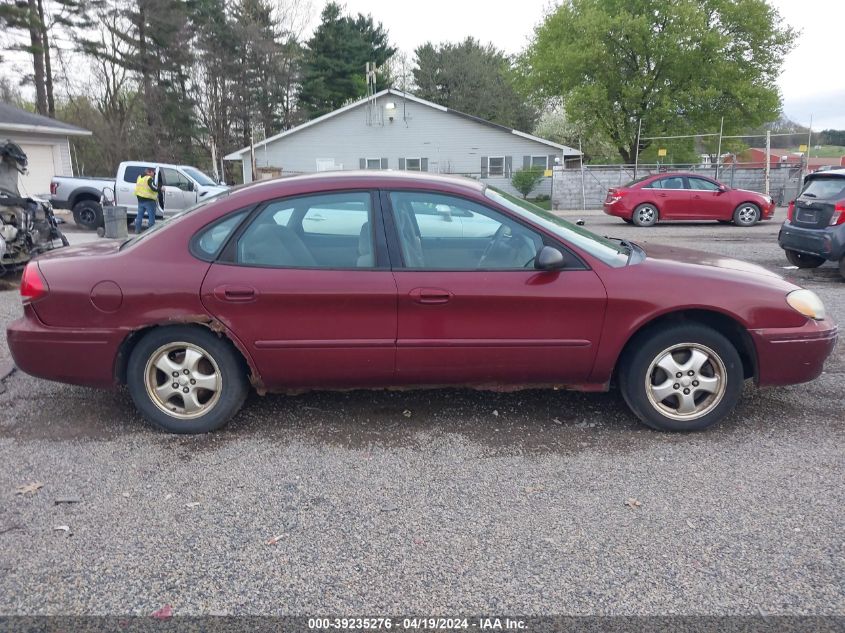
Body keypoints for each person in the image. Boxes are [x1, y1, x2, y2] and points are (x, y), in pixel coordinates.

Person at [134, 167, 159, 233]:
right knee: (151, 217)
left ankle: (137, 230)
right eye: (153, 172)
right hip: (149, 200)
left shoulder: (139, 177)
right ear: (149, 172)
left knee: (139, 216)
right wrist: (160, 189)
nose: (154, 174)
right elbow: (153, 188)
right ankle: (151, 232)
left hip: (140, 200)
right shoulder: (149, 178)